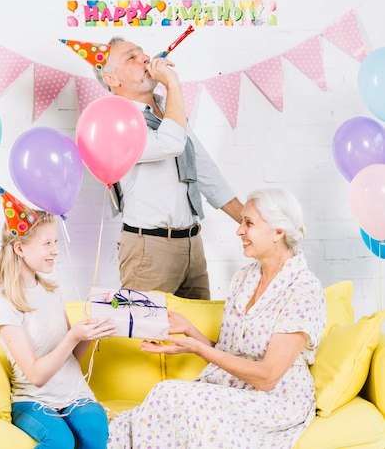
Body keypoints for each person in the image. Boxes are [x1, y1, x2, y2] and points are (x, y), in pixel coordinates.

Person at [107, 187, 327, 449]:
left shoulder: (303, 289)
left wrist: (197, 348)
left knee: (174, 397)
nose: (239, 230)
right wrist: (190, 332)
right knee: (140, 415)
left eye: (249, 223)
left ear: (278, 232)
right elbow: (230, 354)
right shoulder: (244, 278)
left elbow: (268, 376)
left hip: (275, 400)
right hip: (234, 388)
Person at [61, 36, 243, 300]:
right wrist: (173, 84)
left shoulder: (168, 111)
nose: (145, 58)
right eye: (131, 58)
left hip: (192, 243)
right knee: (145, 336)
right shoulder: (114, 121)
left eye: (142, 53)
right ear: (113, 80)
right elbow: (170, 143)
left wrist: (249, 219)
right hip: (148, 250)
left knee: (196, 334)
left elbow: (203, 169)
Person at [0, 187, 117, 449]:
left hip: (74, 393)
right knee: (59, 440)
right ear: (20, 249)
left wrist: (91, 333)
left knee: (95, 430)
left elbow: (71, 358)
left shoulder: (52, 290)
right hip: (33, 399)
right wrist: (73, 336)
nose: (55, 251)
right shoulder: (5, 304)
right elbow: (36, 375)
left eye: (55, 242)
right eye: (47, 244)